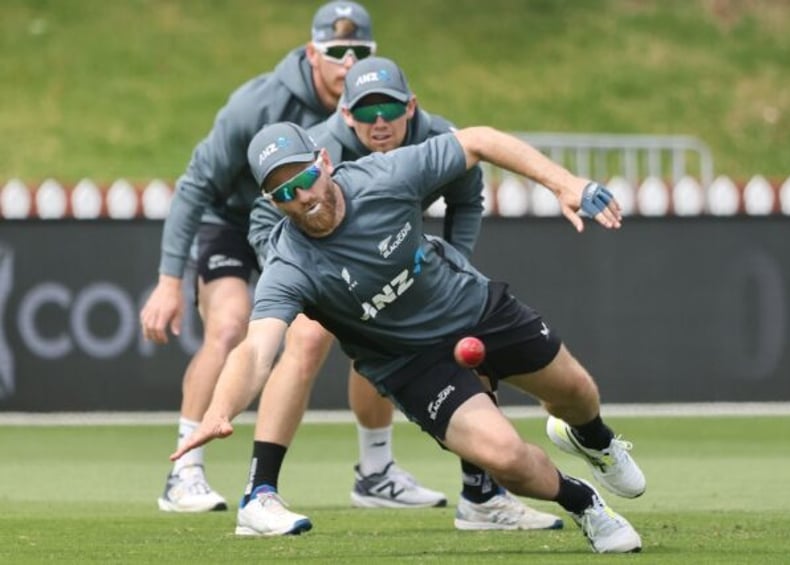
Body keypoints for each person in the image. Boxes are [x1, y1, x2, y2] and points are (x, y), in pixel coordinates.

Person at [171, 121, 647, 554]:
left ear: (324, 163)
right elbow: (257, 349)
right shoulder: (289, 264)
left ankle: (594, 440)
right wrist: (220, 409)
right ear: (272, 203)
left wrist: (565, 184)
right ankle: (583, 502)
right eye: (283, 193)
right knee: (506, 458)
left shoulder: (385, 177)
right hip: (411, 366)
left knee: (576, 392)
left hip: (476, 309)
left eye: (303, 178)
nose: (301, 196)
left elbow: (478, 140)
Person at [140, 0, 442, 514]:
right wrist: (170, 281)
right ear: (312, 52)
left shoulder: (367, 109)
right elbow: (194, 186)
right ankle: (184, 472)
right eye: (335, 51)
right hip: (235, 224)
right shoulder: (254, 104)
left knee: (371, 320)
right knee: (232, 325)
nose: (347, 62)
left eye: (359, 51)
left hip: (313, 228)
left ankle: (375, 473)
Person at [241, 56, 563, 533]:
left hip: (398, 258)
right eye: (365, 112)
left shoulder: (434, 134)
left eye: (388, 110)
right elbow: (266, 221)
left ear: (409, 108)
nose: (379, 122)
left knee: (457, 323)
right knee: (306, 342)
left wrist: (451, 266)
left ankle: (478, 494)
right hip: (301, 250)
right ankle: (264, 488)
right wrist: (305, 278)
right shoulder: (321, 151)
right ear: (345, 114)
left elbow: (465, 197)